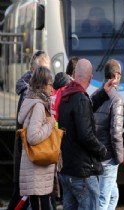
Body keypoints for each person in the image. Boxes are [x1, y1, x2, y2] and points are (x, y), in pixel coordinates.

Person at [58, 58, 115, 210]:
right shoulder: (80, 99)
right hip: (82, 172)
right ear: (90, 78)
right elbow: (85, 135)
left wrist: (103, 93)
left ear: (74, 74)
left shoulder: (66, 96)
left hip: (67, 170)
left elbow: (84, 107)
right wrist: (101, 150)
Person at [7, 50, 50, 210]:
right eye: (44, 71)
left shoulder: (33, 95)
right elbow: (30, 134)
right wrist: (50, 125)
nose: (48, 76)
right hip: (33, 158)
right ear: (35, 72)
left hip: (32, 158)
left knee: (32, 199)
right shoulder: (32, 97)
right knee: (24, 198)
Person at [17, 66, 57, 210]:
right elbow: (32, 137)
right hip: (38, 165)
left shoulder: (29, 100)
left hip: (31, 164)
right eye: (50, 84)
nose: (52, 89)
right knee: (44, 205)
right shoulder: (39, 105)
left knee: (35, 205)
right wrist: (50, 124)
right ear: (42, 84)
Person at [92, 59, 124, 210]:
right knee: (103, 199)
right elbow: (115, 132)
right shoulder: (116, 99)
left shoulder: (95, 94)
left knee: (113, 195)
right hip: (108, 157)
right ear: (116, 76)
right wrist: (119, 157)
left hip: (97, 153)